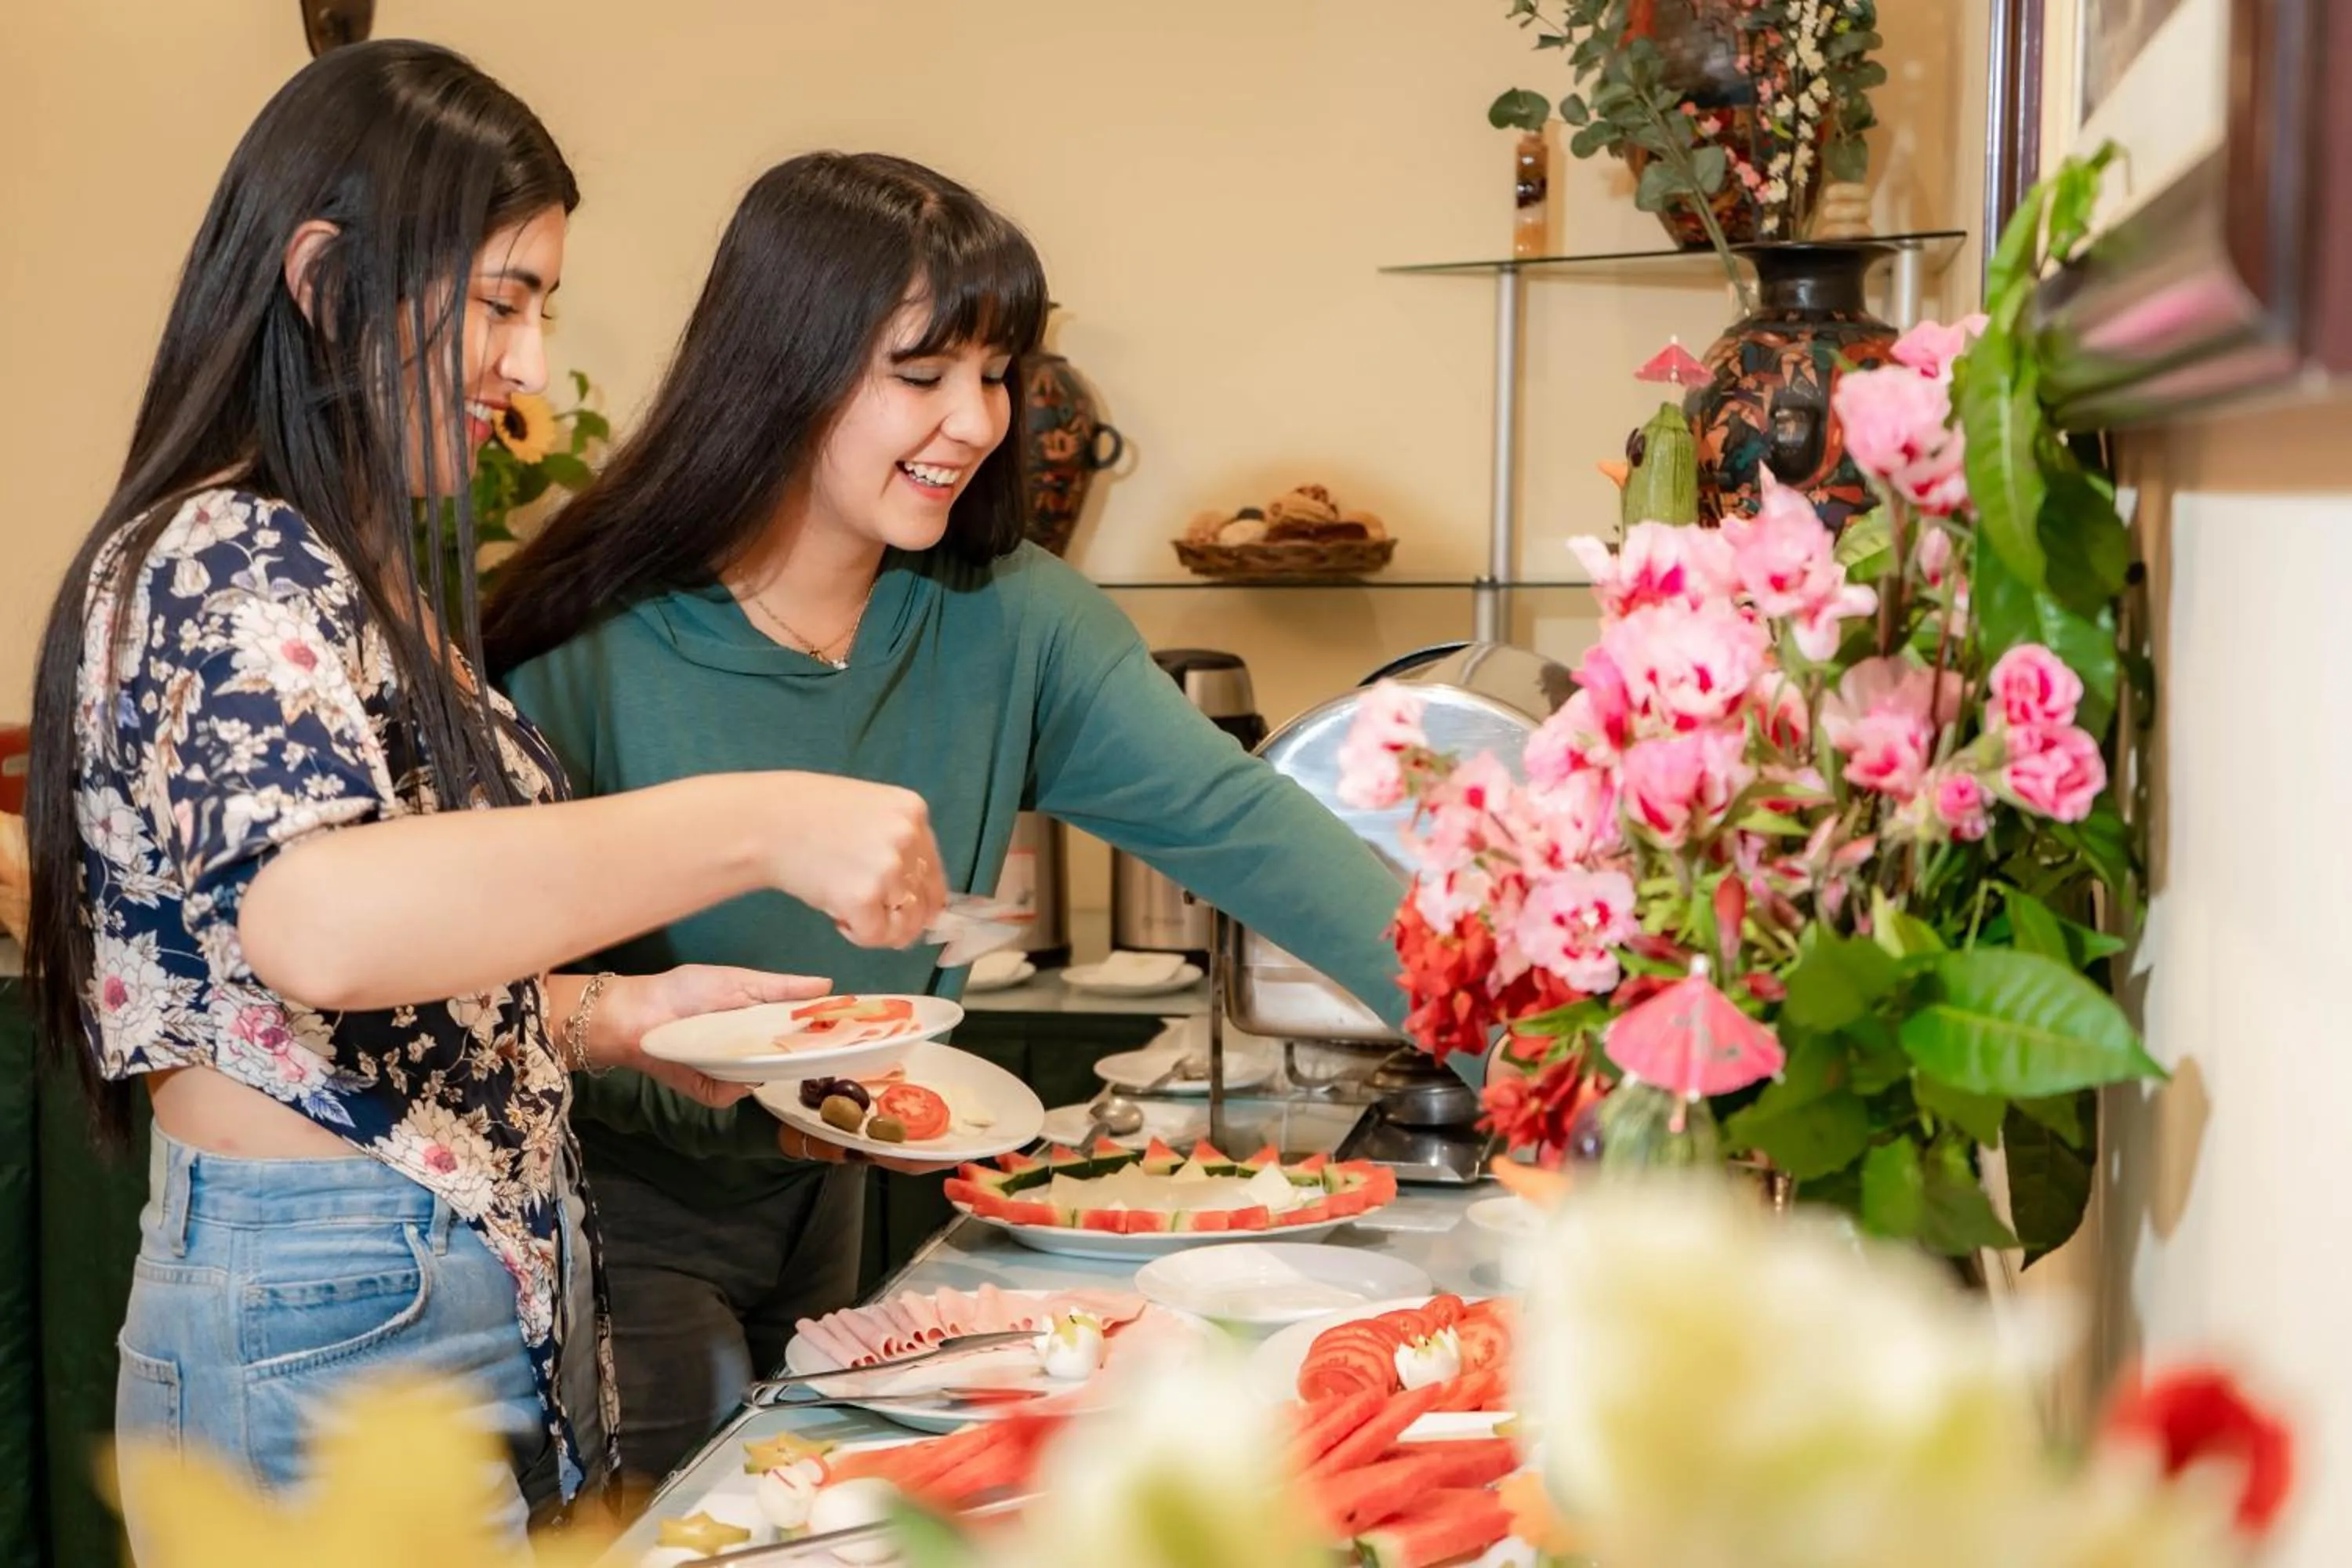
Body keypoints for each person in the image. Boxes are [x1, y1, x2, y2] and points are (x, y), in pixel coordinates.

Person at [20, 47, 949, 1548]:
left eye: (542, 309)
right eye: (504, 300)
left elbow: (348, 999)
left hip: (441, 1276)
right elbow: (315, 923)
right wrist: (762, 817)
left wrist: (613, 1016)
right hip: (333, 1298)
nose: (528, 367)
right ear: (326, 279)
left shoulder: (353, 573)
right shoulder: (226, 555)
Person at [484, 151, 1410, 1482]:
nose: (975, 421)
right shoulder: (579, 643)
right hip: (611, 1216)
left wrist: (1545, 1043)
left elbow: (1249, 830)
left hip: (846, 1201)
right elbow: (464, 986)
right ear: (779, 368)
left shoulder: (1011, 619)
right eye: (921, 376)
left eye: (996, 374)